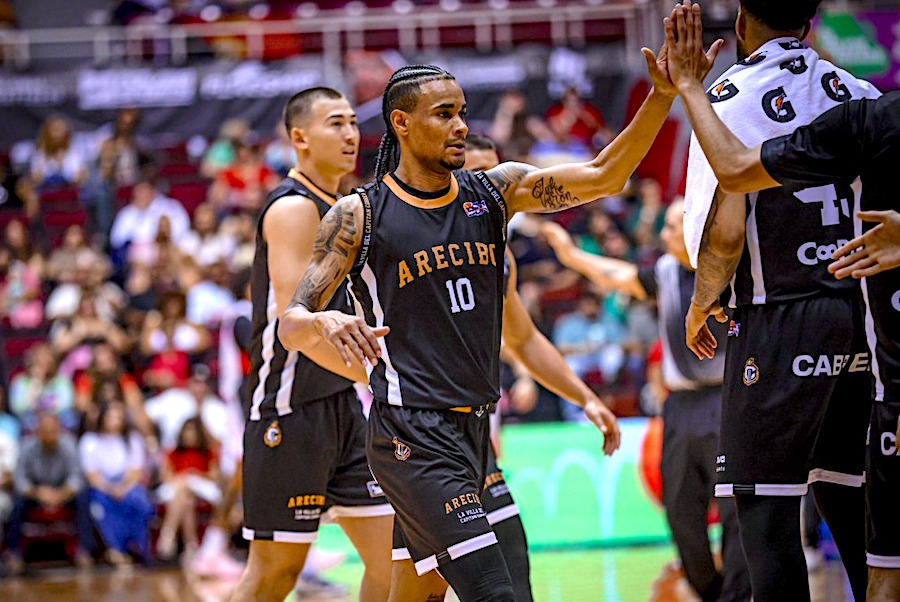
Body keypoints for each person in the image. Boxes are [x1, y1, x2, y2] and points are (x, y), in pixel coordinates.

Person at [278, 31, 720, 599]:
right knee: (497, 590)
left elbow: (604, 176)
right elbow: (291, 323)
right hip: (412, 436)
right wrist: (324, 320)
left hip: (473, 431)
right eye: (444, 114)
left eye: (462, 112)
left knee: (417, 594)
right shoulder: (358, 215)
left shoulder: (494, 193)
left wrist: (662, 95)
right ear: (401, 123)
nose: (461, 125)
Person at [664, 2, 899, 599]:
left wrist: (702, 301)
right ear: (810, 24)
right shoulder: (861, 94)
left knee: (765, 517)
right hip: (862, 318)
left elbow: (724, 234)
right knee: (859, 510)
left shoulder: (724, 100)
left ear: (742, 23)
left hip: (777, 317)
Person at [231, 87, 394, 602]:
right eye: (335, 123)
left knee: (397, 561)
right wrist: (385, 379)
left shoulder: (347, 207)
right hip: (290, 404)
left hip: (343, 404)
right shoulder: (293, 208)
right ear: (299, 138)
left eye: (353, 123)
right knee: (272, 577)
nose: (350, 134)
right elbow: (295, 328)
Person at [542, 201, 751, 602]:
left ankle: (738, 596)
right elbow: (616, 275)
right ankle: (711, 591)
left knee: (733, 509)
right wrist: (571, 256)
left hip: (728, 400)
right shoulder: (665, 271)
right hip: (680, 406)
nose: (664, 234)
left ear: (697, 230)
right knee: (679, 508)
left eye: (673, 227)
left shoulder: (736, 269)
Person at [450, 135, 620, 602]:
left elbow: (522, 340)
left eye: (495, 179)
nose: (488, 191)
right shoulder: (412, 240)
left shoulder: (498, 255)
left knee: (511, 565)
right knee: (417, 579)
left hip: (472, 432)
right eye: (475, 177)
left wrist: (585, 397)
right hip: (417, 431)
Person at [7, 412, 93, 573]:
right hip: (35, 493)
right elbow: (19, 479)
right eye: (45, 431)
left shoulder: (69, 445)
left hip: (63, 492)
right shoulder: (27, 446)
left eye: (53, 430)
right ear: (37, 431)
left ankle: (84, 551)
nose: (49, 435)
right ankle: (14, 553)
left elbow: (77, 477)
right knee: (18, 502)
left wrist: (61, 494)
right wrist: (37, 492)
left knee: (83, 498)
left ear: (59, 430)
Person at [78, 402, 153, 567]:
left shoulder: (133, 439)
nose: (115, 421)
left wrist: (123, 488)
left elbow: (136, 471)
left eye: (119, 417)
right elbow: (92, 474)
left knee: (139, 501)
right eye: (111, 416)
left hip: (128, 485)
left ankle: (138, 547)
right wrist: (110, 489)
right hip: (102, 487)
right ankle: (115, 549)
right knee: (101, 505)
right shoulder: (90, 441)